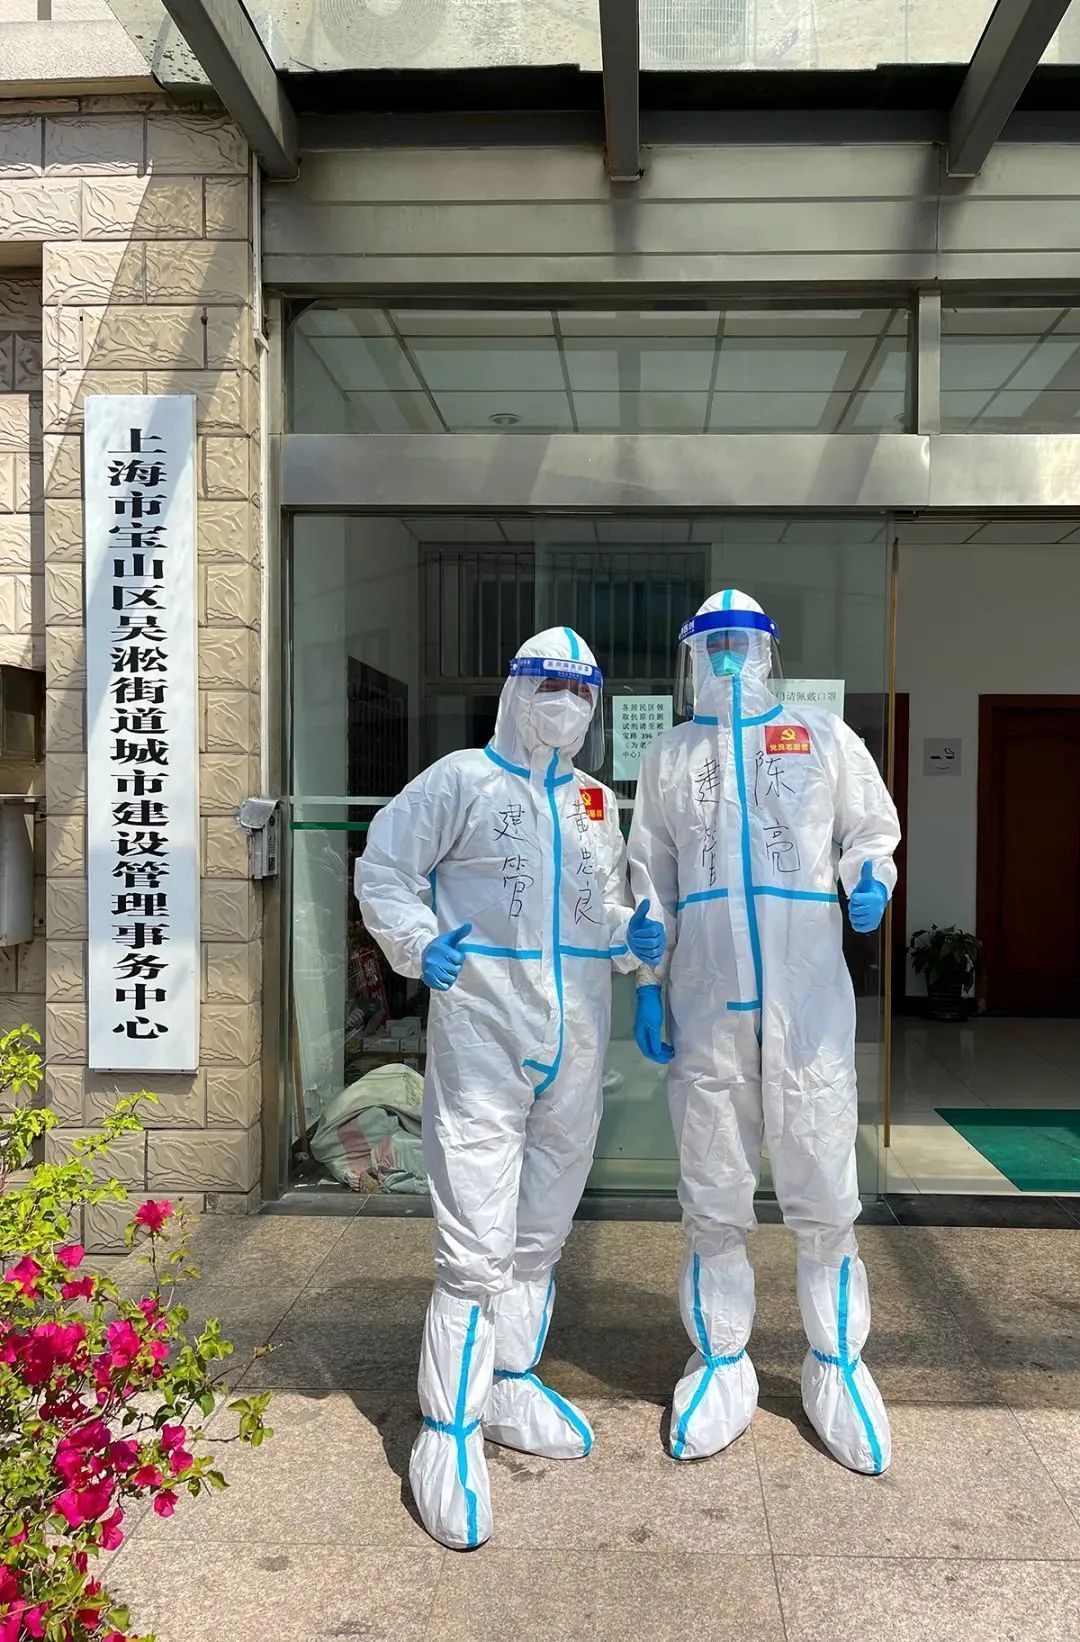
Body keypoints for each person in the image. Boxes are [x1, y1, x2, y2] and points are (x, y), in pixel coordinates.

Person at [356, 626, 665, 1549]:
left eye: (583, 690)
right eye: (551, 685)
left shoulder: (596, 802)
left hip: (577, 1039)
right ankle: (447, 1429)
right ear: (516, 691)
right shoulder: (460, 781)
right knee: (476, 1241)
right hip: (485, 1034)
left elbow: (597, 909)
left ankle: (509, 1380)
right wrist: (418, 943)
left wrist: (633, 939)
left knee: (542, 1229)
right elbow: (383, 868)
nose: (567, 703)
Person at [628, 589, 900, 1476]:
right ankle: (720, 1361)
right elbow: (650, 875)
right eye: (712, 645)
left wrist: (869, 878)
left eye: (741, 643)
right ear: (691, 657)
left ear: (769, 651)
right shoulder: (672, 755)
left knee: (823, 1187)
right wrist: (646, 980)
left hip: (806, 1003)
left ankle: (837, 1362)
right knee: (713, 1191)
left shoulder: (820, 737)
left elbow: (869, 828)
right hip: (708, 1005)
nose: (727, 658)